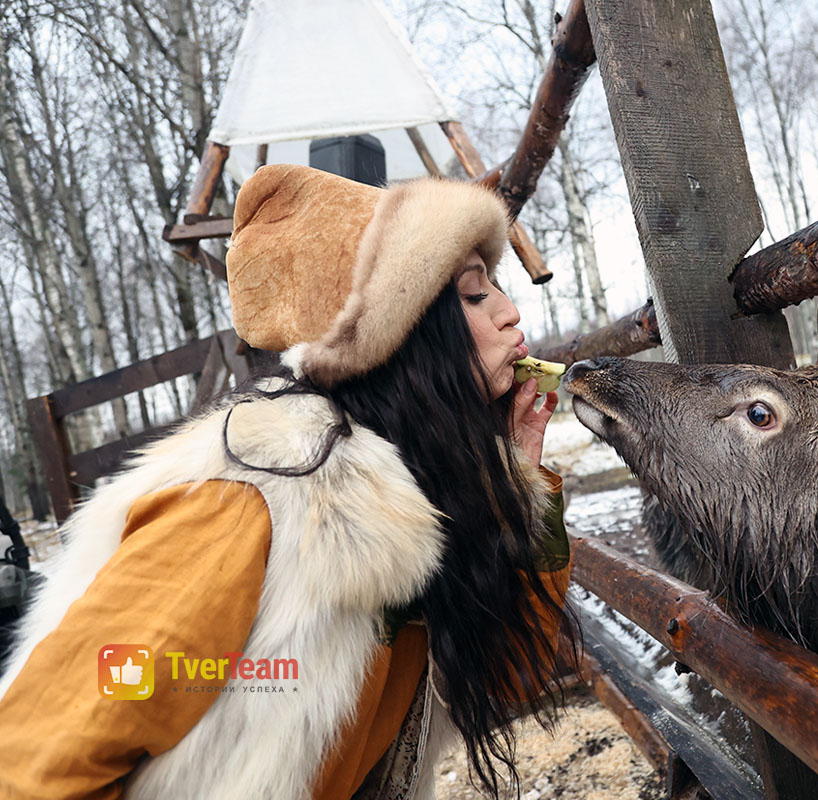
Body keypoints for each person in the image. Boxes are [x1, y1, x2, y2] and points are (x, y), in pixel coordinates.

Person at [0, 165, 575, 800]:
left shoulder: (430, 492)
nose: (510, 311)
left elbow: (510, 679)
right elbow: (35, 765)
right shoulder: (247, 503)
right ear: (399, 336)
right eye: (472, 295)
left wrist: (520, 483)